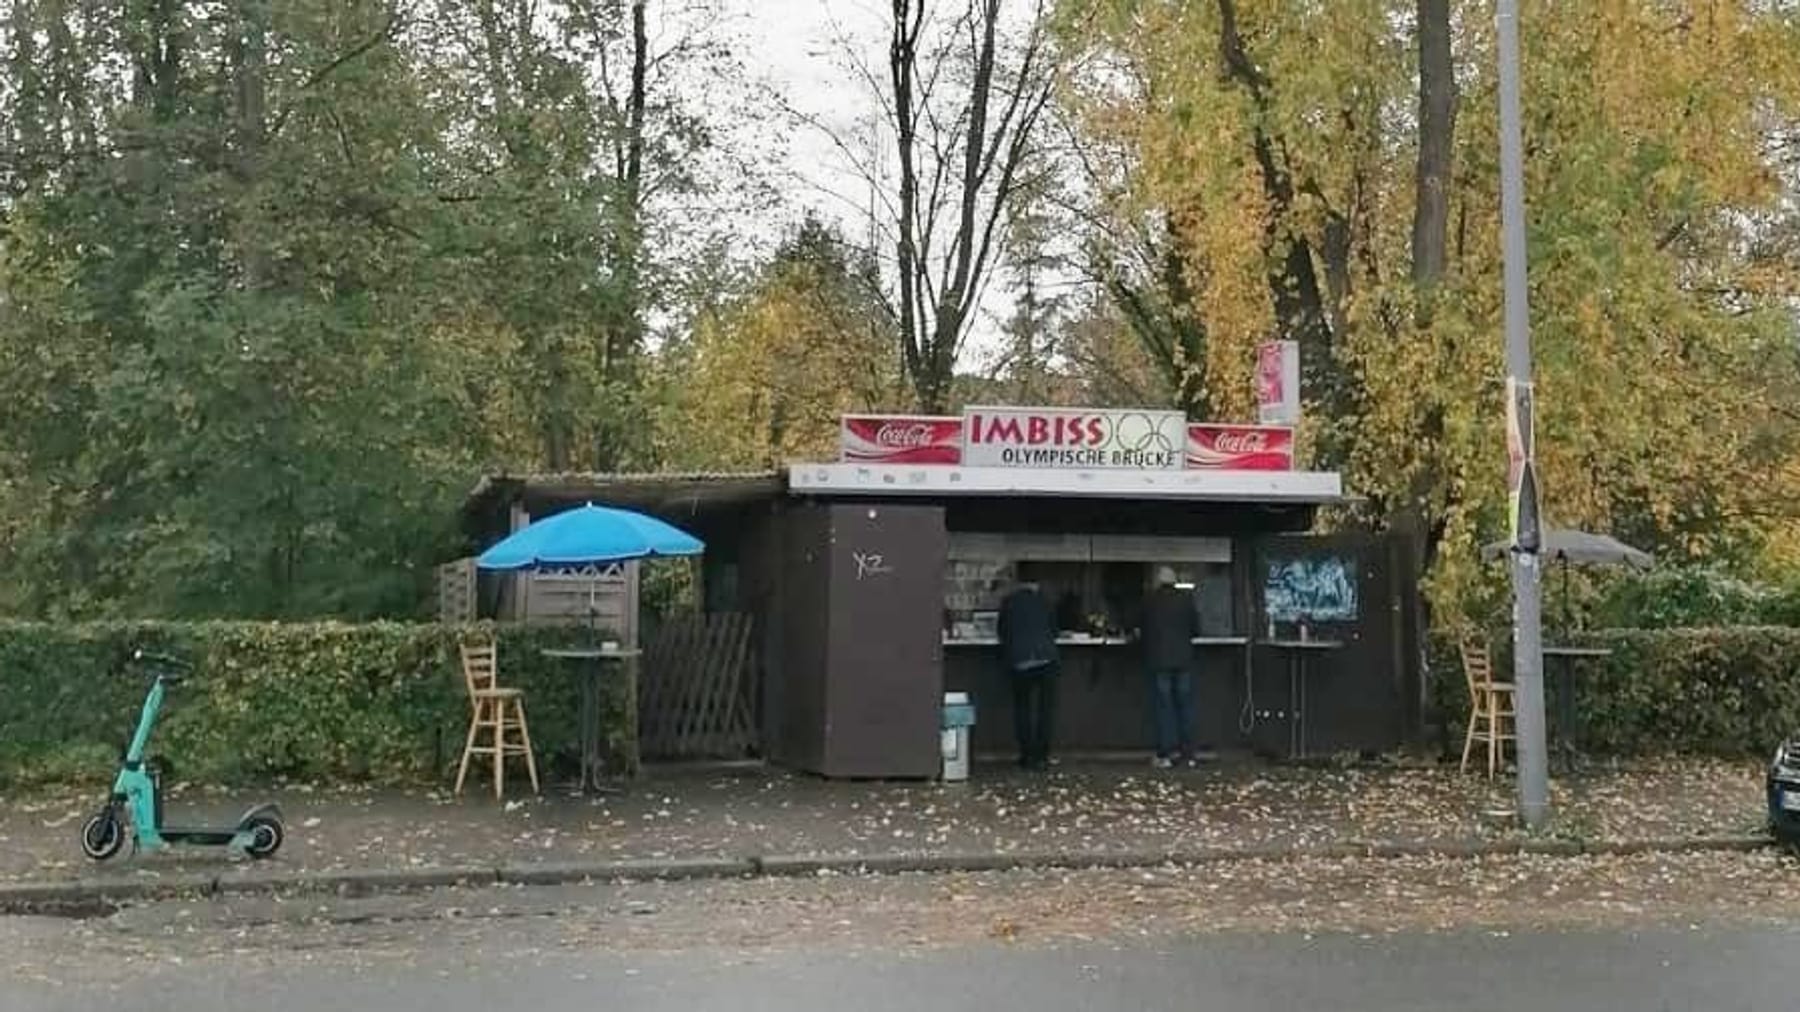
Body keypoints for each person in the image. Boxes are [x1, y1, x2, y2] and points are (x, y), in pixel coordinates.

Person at [996, 576, 1059, 771]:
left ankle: (1026, 755)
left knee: (1023, 709)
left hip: (1020, 661)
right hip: (1046, 659)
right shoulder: (1045, 601)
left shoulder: (1009, 602)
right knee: (1045, 710)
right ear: (1035, 585)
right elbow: (1054, 630)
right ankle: (1042, 756)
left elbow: (1002, 631)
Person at [1142, 565, 1199, 768]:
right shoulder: (1186, 599)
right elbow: (1196, 628)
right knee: (1185, 706)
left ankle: (1165, 753)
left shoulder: (1150, 600)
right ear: (1174, 580)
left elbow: (1142, 628)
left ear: (1158, 581)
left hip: (1159, 661)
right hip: (1184, 659)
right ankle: (1188, 753)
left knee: (1164, 707)